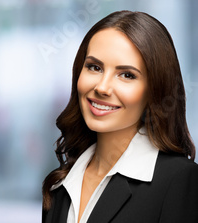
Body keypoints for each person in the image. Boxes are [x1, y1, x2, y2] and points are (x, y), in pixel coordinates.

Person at [42, 10, 198, 223]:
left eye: (127, 75)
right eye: (94, 67)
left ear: (155, 90)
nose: (102, 87)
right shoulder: (60, 183)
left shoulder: (180, 180)